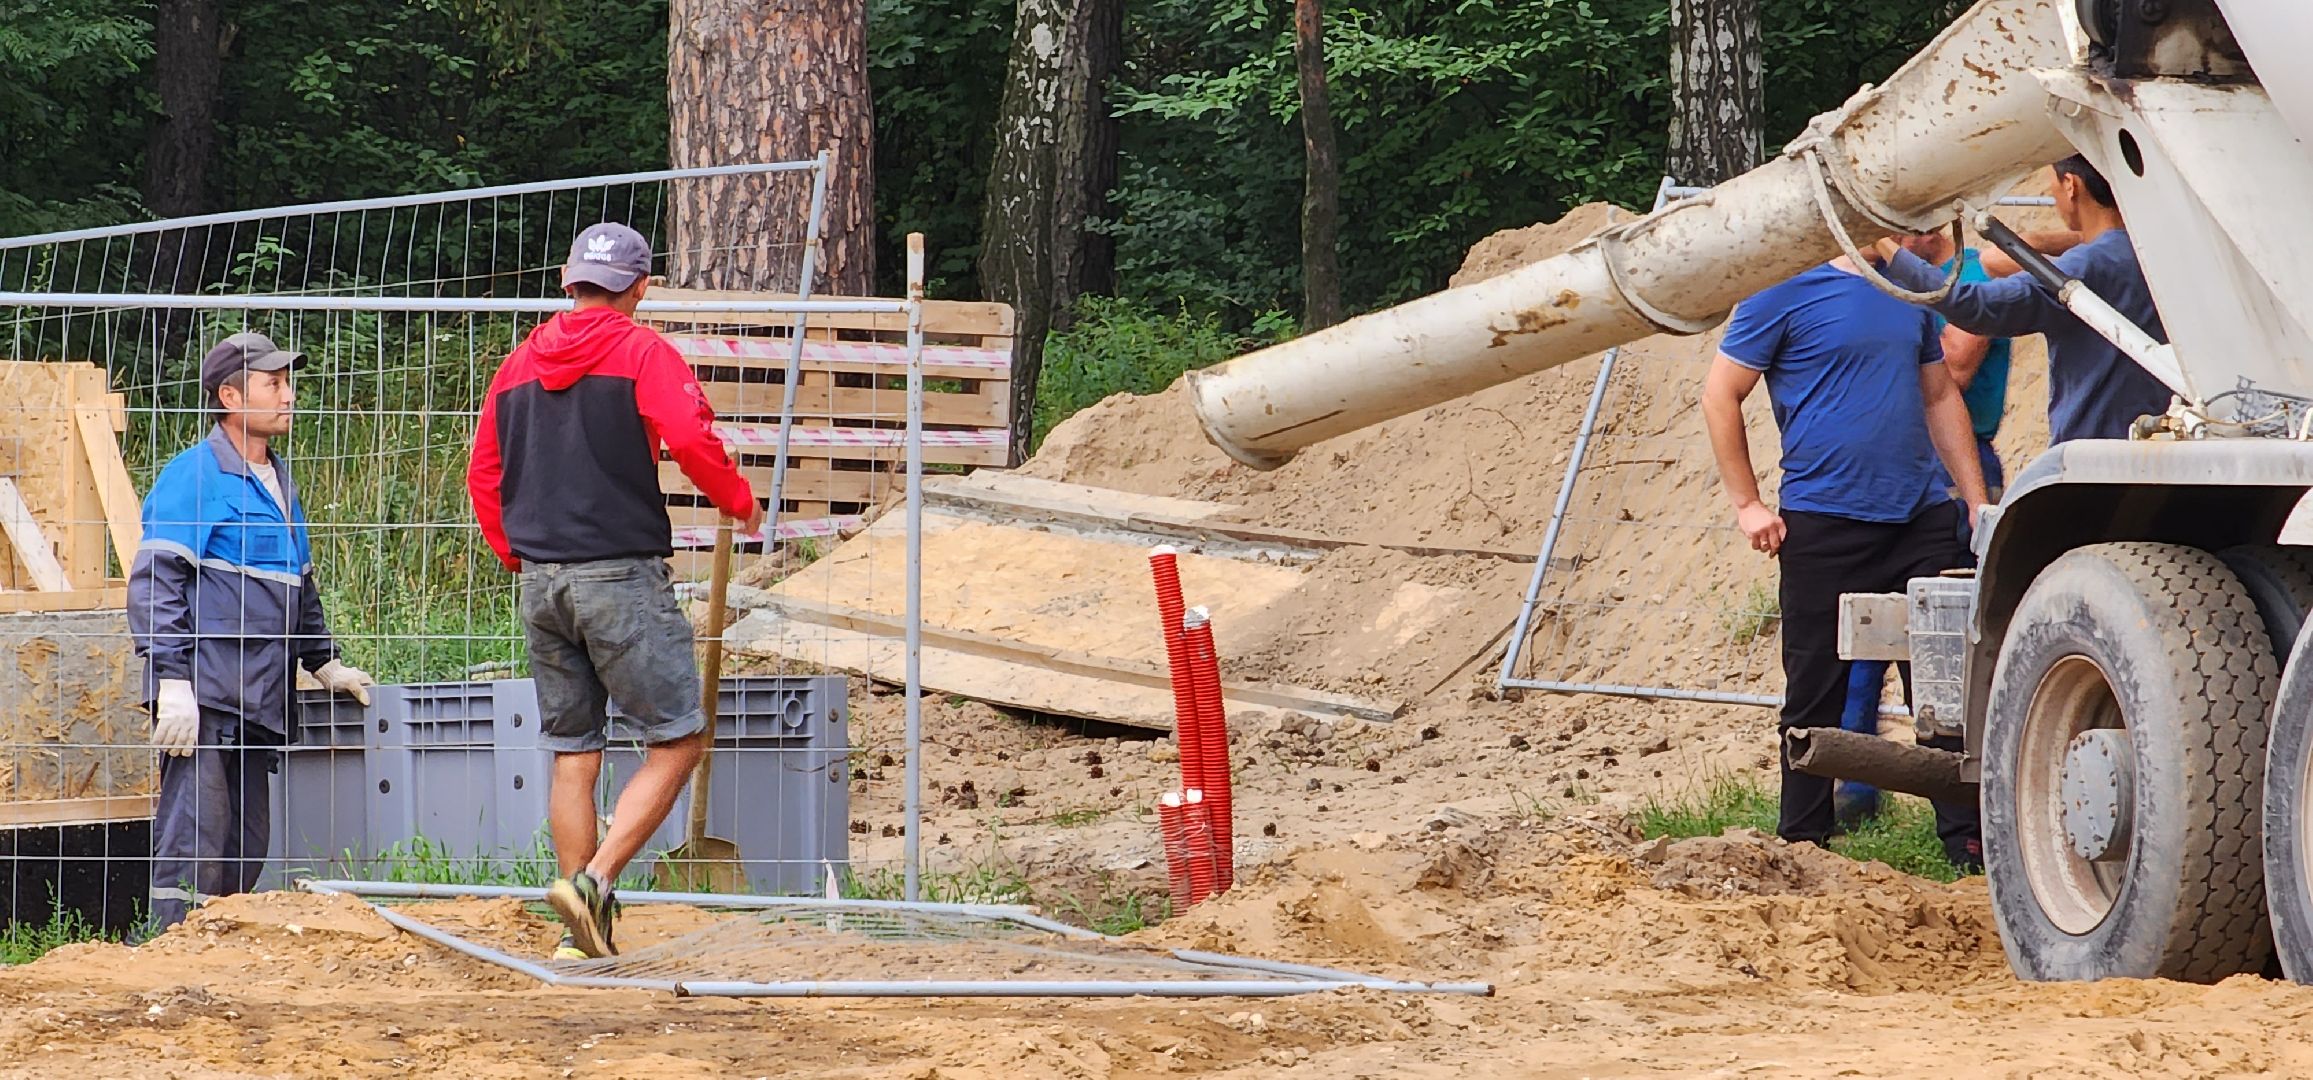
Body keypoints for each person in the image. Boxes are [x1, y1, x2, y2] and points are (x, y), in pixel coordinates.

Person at [467, 221, 764, 960]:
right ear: (640, 286)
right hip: (620, 576)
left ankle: (581, 933)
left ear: (569, 281)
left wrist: (514, 553)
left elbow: (484, 471)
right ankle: (594, 883)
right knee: (679, 739)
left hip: (542, 583)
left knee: (574, 751)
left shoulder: (517, 364)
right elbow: (689, 437)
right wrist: (737, 501)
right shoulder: (641, 351)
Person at [1703, 241, 1989, 871]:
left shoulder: (1906, 286)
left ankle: (1970, 846)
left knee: (1945, 690)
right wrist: (1747, 504)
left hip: (1920, 517)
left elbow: (1938, 395)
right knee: (1814, 692)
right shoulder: (1780, 288)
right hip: (1823, 520)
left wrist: (1975, 500)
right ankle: (1804, 844)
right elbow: (1720, 394)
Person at [128, 330, 375, 934]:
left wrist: (323, 660)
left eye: (288, 383)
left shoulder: (279, 481)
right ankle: (171, 947)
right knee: (196, 837)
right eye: (274, 383)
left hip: (261, 696)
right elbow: (156, 582)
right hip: (208, 695)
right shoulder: (195, 476)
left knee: (245, 842)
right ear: (231, 397)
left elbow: (298, 582)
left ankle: (223, 954)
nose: (288, 395)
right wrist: (172, 682)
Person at [1836, 232, 2011, 829]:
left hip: (1956, 461)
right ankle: (1854, 783)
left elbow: (1954, 369)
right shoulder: (1892, 282)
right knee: (1868, 628)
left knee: (1939, 634)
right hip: (1901, 460)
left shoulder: (1968, 278)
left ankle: (1961, 816)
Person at [1872, 154, 2172, 444]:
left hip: (2096, 453)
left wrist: (1881, 242)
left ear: (2070, 185)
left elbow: (1973, 306)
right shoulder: (2157, 255)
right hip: (2167, 441)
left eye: (2052, 183)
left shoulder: (2085, 267)